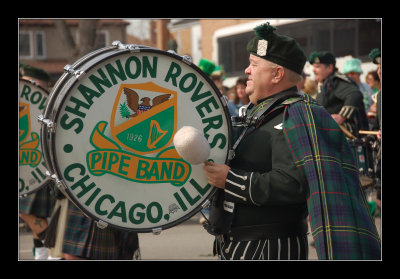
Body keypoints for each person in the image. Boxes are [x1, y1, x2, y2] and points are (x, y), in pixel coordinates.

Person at [202, 22, 380, 260]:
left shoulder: (295, 113)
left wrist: (230, 180)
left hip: (269, 249)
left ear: (277, 74)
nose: (246, 70)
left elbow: (294, 184)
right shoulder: (258, 112)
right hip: (238, 245)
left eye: (254, 64)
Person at [19, 64, 56, 260]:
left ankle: (51, 245)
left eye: (29, 82)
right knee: (33, 215)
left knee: (28, 212)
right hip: (25, 165)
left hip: (41, 165)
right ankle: (44, 251)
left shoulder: (49, 103)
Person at [310, 51, 369, 137]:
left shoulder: (336, 81)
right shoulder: (325, 84)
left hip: (346, 138)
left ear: (330, 68)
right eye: (313, 67)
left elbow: (355, 94)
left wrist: (342, 116)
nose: (313, 70)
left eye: (317, 67)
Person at [227, 77, 250, 142]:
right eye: (238, 88)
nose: (240, 91)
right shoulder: (230, 105)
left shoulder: (253, 104)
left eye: (242, 88)